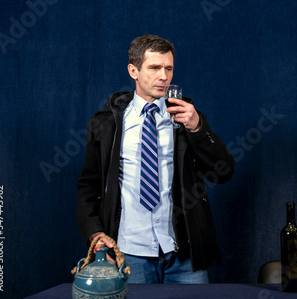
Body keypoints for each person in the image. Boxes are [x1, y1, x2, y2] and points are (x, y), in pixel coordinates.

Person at [76, 34, 234, 284]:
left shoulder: (187, 117)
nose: (164, 76)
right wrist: (96, 234)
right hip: (129, 254)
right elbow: (88, 186)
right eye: (154, 67)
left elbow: (223, 173)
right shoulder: (106, 123)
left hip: (184, 253)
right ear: (133, 70)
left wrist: (197, 129)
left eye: (168, 68)